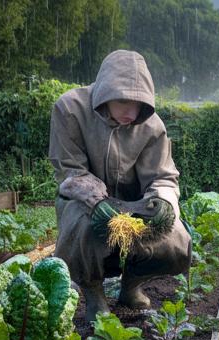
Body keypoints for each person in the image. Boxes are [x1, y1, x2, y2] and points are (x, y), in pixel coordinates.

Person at [49, 49, 191, 321]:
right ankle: (94, 294)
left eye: (139, 104)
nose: (132, 112)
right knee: (85, 231)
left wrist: (162, 200)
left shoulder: (152, 126)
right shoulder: (70, 109)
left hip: (133, 203)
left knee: (175, 241)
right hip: (82, 202)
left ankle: (131, 285)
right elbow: (70, 171)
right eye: (124, 101)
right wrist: (96, 200)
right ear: (105, 94)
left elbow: (162, 175)